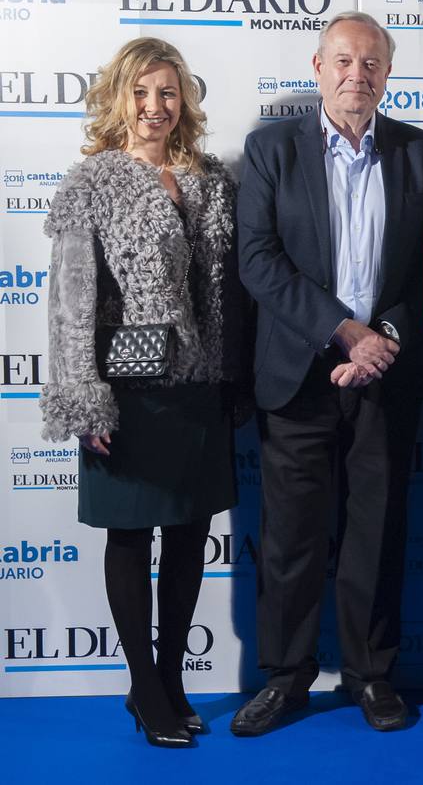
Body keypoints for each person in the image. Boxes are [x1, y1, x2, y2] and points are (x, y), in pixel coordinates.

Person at [232, 11, 423, 735]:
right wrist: (343, 330)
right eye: (345, 62)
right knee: (291, 539)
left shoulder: (421, 154)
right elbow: (258, 260)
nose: (359, 75)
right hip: (298, 374)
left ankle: (371, 677)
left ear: (388, 74)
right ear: (317, 66)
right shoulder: (270, 151)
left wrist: (382, 336)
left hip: (385, 374)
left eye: (373, 64)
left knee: (375, 533)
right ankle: (286, 680)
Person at [40, 37, 247, 747]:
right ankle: (143, 689)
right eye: (141, 93)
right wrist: (82, 396)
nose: (155, 107)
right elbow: (69, 303)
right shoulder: (90, 182)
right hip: (125, 393)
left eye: (167, 92)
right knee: (130, 537)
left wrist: (232, 378)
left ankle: (172, 678)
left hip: (196, 388)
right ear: (118, 99)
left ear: (183, 100)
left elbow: (226, 296)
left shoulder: (213, 182)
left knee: (190, 535)